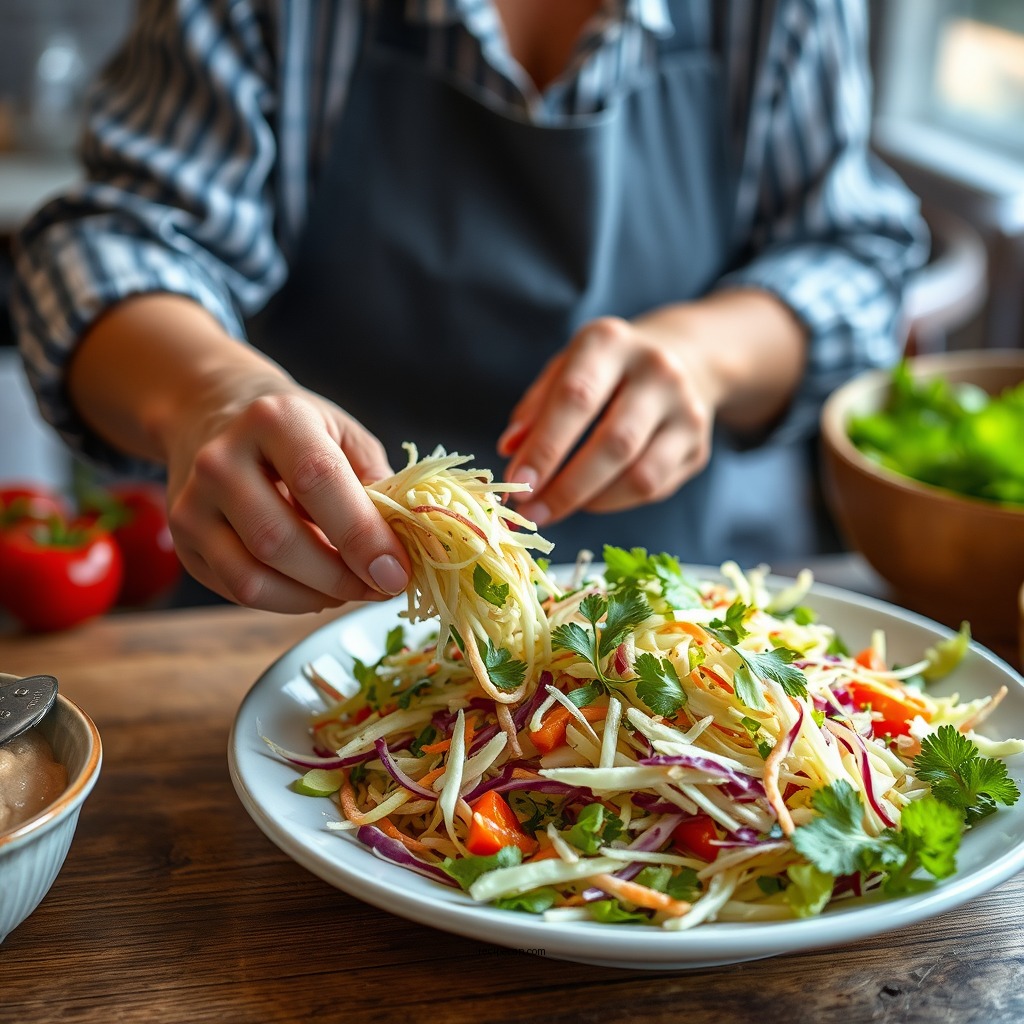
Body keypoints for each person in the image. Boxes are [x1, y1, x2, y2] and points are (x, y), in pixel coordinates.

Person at [11, 0, 928, 615]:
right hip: (282, 616)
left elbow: (855, 254)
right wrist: (205, 391)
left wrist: (708, 353)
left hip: (658, 612)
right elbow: (105, 242)